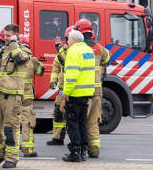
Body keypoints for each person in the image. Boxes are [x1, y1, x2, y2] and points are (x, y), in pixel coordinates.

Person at [0, 24, 31, 168]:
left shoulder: (23, 50)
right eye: (4, 36)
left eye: (8, 36)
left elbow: (20, 60)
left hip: (13, 96)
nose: (5, 38)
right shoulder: (2, 51)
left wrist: (13, 44)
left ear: (16, 36)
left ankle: (11, 158)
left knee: (10, 128)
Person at [74, 19, 111, 159]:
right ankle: (94, 150)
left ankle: (81, 150)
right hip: (97, 90)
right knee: (93, 121)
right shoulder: (99, 48)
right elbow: (107, 59)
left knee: (81, 121)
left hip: (83, 90)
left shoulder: (79, 48)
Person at [62, 30, 96, 162]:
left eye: (69, 40)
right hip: (86, 92)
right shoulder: (88, 50)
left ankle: (74, 152)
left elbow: (72, 74)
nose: (67, 42)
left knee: (72, 123)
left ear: (74, 40)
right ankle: (83, 151)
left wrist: (66, 92)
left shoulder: (73, 51)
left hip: (75, 92)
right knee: (82, 123)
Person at [18, 35, 45, 158]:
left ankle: (10, 148)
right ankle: (28, 150)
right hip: (27, 97)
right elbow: (41, 72)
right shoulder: (31, 59)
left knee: (11, 121)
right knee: (27, 122)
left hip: (13, 95)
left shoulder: (12, 57)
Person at [46, 31, 70, 146]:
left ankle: (79, 141)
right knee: (58, 113)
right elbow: (56, 69)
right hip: (62, 90)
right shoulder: (61, 52)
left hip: (74, 90)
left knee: (74, 115)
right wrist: (53, 81)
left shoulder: (75, 51)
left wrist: (59, 48)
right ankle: (57, 138)